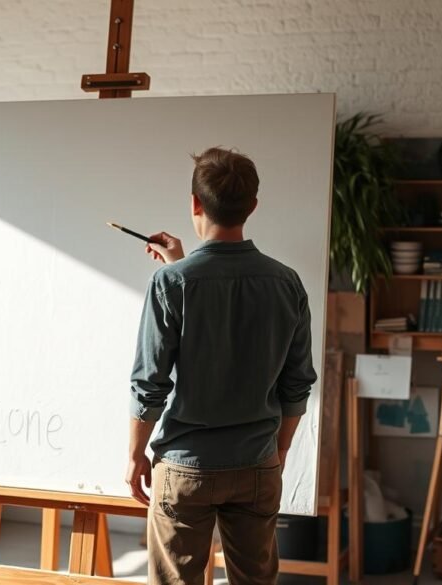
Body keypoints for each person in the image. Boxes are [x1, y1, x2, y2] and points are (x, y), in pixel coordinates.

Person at [126, 147, 318, 585]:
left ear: (195, 203)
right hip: (257, 463)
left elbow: (148, 384)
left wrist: (135, 455)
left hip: (185, 466)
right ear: (252, 206)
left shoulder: (170, 283)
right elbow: (297, 384)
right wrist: (280, 449)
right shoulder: (286, 282)